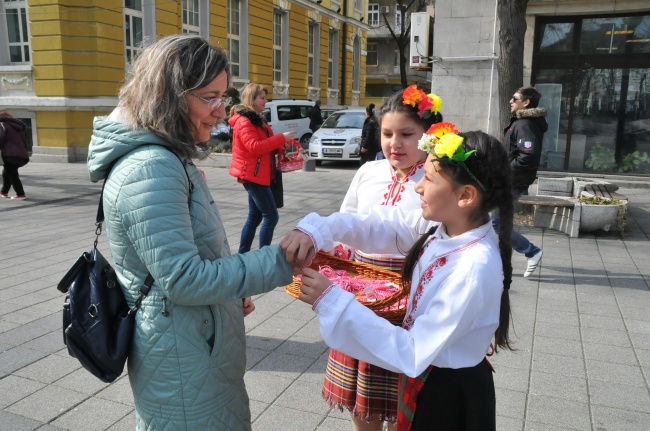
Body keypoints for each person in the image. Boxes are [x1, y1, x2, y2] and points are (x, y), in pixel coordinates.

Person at [86, 35, 301, 431]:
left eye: (223, 96)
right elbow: (184, 280)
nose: (220, 111)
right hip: (182, 355)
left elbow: (184, 264)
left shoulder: (167, 155)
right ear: (167, 94)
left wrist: (229, 294)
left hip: (192, 342)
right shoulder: (151, 166)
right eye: (209, 97)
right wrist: (281, 260)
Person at [281, 128, 514, 431]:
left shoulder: (472, 267)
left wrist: (332, 300)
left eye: (429, 179)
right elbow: (382, 224)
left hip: (447, 393)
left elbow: (413, 351)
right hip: (428, 376)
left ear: (465, 195)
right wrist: (318, 230)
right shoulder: (445, 228)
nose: (418, 187)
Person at [324, 85, 443, 431]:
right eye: (387, 134)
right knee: (363, 393)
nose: (395, 143)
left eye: (407, 134)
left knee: (401, 387)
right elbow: (346, 224)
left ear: (428, 136)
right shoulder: (368, 172)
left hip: (409, 292)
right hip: (361, 291)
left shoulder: (436, 179)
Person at [229, 83, 296, 254]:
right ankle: (263, 255)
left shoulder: (258, 120)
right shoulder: (245, 121)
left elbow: (267, 147)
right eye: (262, 98)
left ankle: (243, 254)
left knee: (255, 217)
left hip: (259, 174)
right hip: (253, 175)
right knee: (271, 217)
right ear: (251, 99)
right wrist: (281, 138)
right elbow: (254, 147)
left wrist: (283, 146)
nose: (266, 101)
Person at [494, 86, 547, 277]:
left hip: (513, 181)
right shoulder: (523, 122)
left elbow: (527, 157)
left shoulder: (525, 125)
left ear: (526, 102)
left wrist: (506, 171)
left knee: (497, 223)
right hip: (512, 179)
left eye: (514, 98)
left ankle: (531, 251)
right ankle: (497, 262)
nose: (510, 101)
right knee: (494, 221)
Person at [0, 112, 30, 200]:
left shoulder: (2, 125)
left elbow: (0, 138)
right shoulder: (17, 126)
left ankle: (20, 194)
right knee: (7, 172)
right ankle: (3, 192)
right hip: (21, 154)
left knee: (12, 175)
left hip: (9, 154)